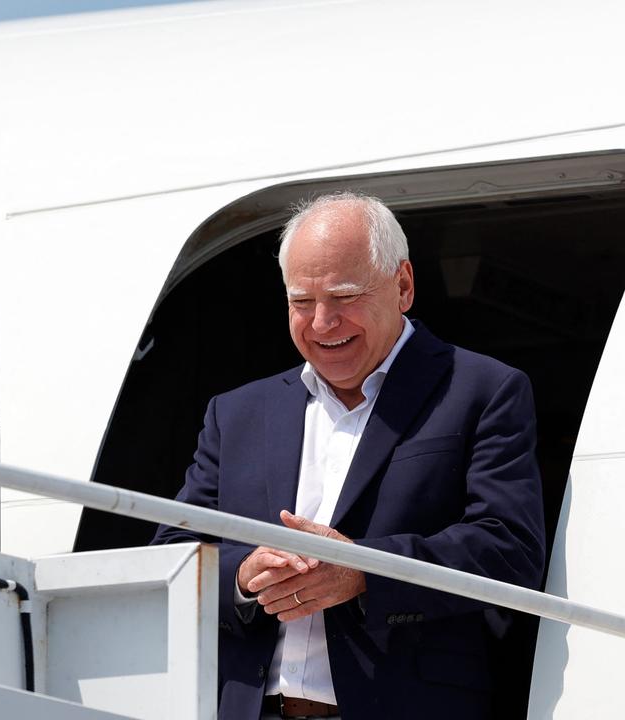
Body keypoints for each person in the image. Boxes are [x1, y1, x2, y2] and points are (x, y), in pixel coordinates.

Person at [152, 192, 544, 720]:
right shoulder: (238, 412)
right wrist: (245, 575)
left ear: (403, 285)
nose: (321, 323)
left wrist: (363, 571)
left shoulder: (483, 390)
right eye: (301, 302)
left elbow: (509, 549)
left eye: (344, 296)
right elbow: (173, 551)